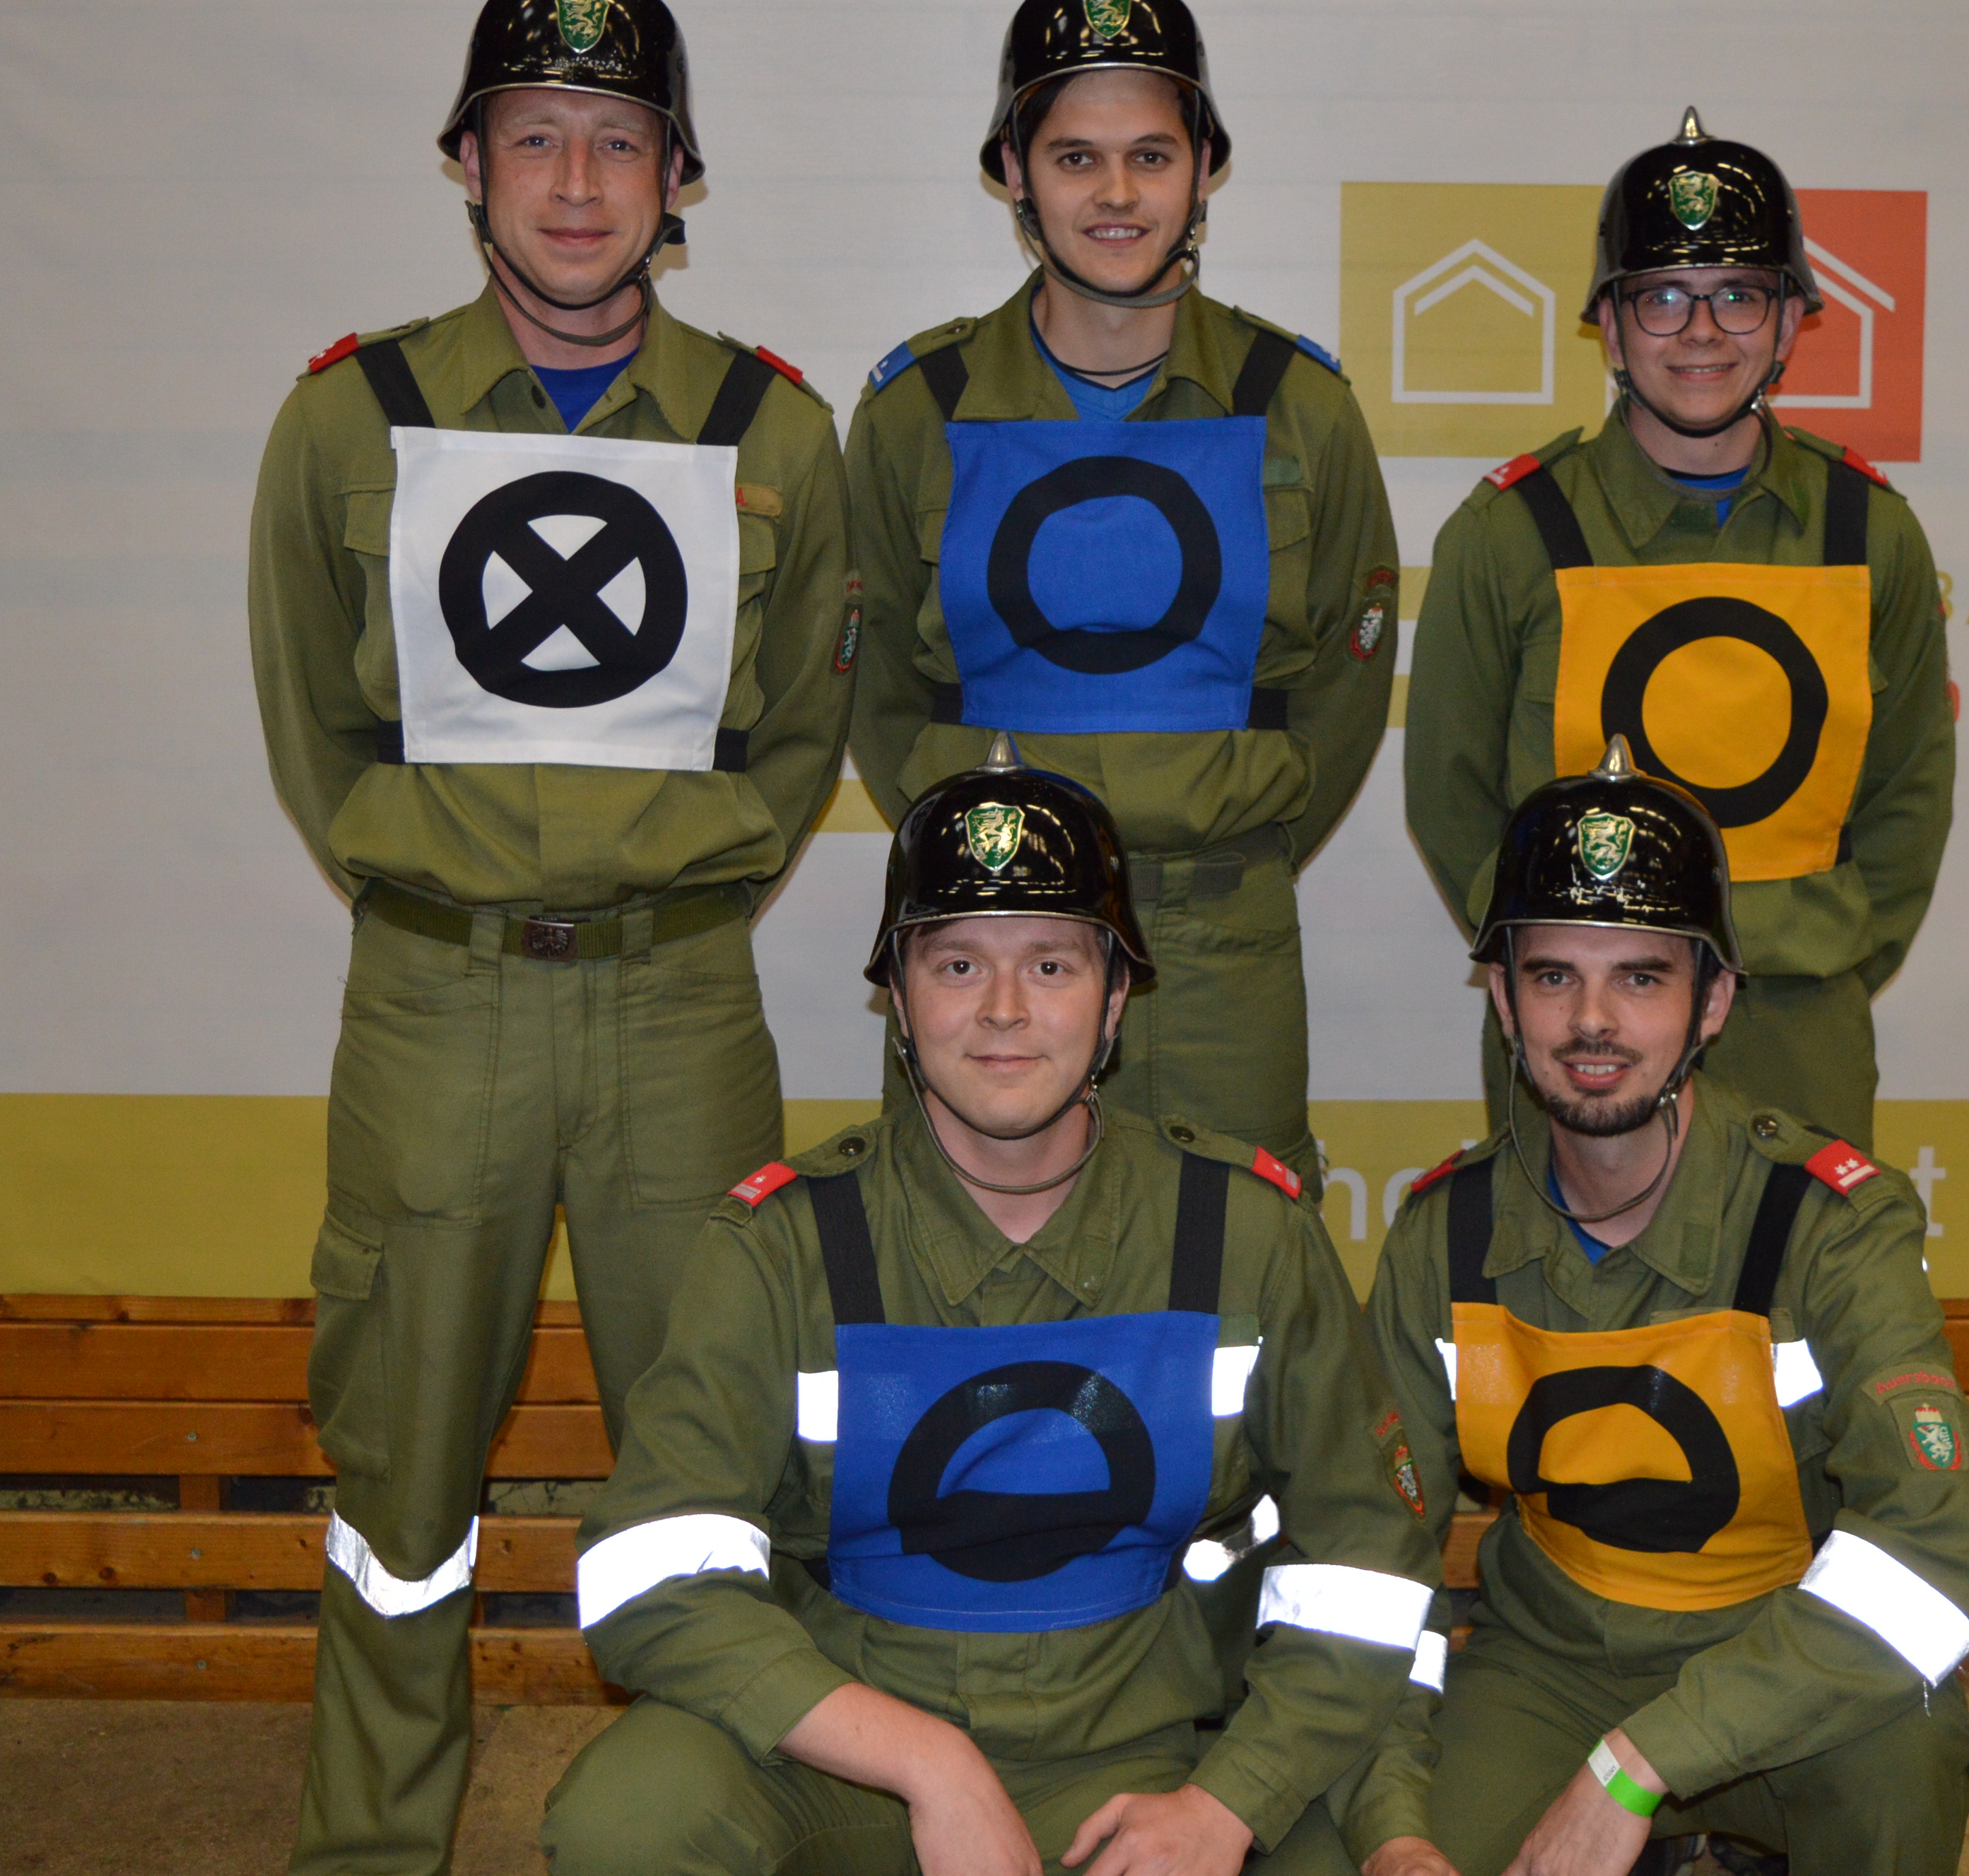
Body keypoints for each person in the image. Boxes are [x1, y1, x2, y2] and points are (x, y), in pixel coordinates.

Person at [245, 0, 852, 1875]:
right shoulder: (350, 421)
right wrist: (468, 874)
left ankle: (709, 1836)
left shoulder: (773, 432)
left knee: (717, 1464)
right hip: (437, 1009)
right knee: (400, 1474)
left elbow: (801, 734)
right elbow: (315, 725)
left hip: (682, 1004)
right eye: (534, 136)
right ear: (467, 161)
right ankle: (370, 1852)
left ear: (679, 177)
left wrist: (658, 877)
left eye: (619, 139)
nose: (577, 184)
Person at [542, 738, 1438, 1876]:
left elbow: (1366, 1563)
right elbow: (649, 1573)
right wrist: (929, 1763)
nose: (1004, 1012)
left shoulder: (1244, 1233)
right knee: (629, 1821)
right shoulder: (786, 1247)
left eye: (1052, 966)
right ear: (899, 1001)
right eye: (959, 964)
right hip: (853, 1760)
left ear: (1116, 1000)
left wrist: (1231, 1800)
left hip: (1151, 1764)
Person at [1342, 741, 1969, 1876]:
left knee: (1906, 1766)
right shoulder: (1443, 1235)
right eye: (1554, 976)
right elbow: (1365, 1560)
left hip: (1783, 1660)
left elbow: (1933, 1555)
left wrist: (1639, 1764)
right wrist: (1392, 1826)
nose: (1593, 1021)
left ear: (1714, 1003)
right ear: (1503, 1000)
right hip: (1546, 1668)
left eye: (1642, 978)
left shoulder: (1828, 1226)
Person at [845, 0, 1401, 1177]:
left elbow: (1346, 687)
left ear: (1205, 167)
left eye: (1151, 155)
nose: (1116, 194)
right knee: (962, 1258)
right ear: (1013, 172)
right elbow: (875, 683)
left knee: (1235, 1261)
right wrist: (986, 860)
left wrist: (1222, 843)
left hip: (1225, 944)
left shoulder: (1298, 405)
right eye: (1074, 157)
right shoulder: (916, 408)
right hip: (984, 933)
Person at [1402, 108, 1953, 1147]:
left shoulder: (1868, 532)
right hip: (1580, 1035)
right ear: (1609, 328)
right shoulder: (1511, 535)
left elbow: (1907, 800)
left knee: (1798, 1257)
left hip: (1799, 1022)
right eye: (1661, 297)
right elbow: (1452, 797)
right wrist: (1560, 969)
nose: (1702, 331)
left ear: (1789, 324)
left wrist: (1810, 957)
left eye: (1738, 295)